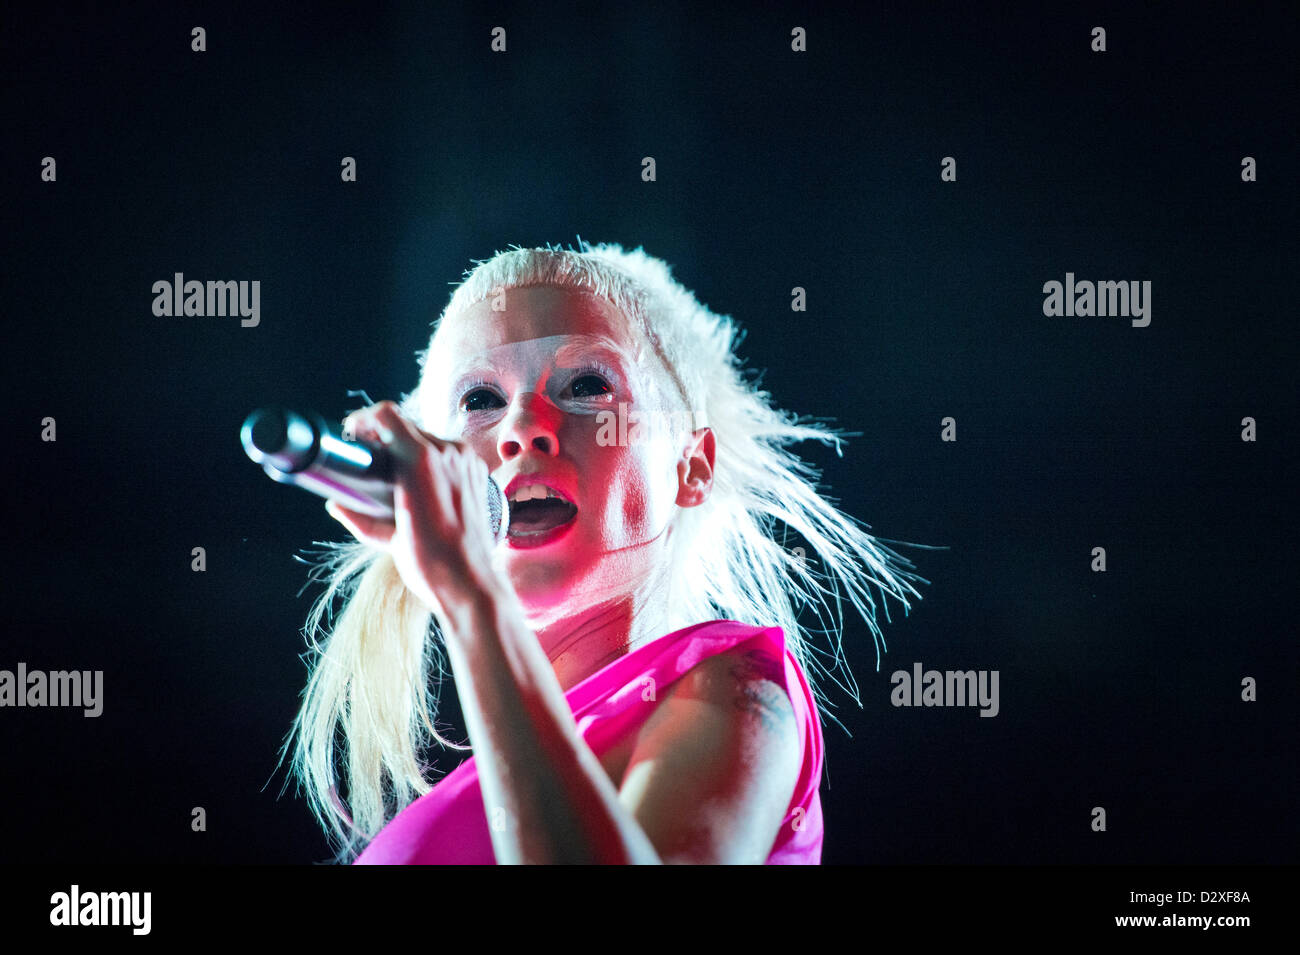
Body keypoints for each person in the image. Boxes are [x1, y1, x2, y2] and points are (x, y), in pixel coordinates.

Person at [284, 241, 927, 864]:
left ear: (691, 466)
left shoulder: (732, 694)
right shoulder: (494, 757)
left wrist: (471, 601)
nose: (523, 429)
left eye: (587, 386)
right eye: (480, 399)